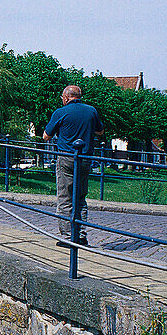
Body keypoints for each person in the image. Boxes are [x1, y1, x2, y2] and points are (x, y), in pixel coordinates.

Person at [43, 85, 104, 246]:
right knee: (81, 197)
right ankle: (81, 235)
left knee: (65, 197)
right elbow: (100, 131)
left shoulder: (60, 112)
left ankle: (68, 237)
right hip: (85, 158)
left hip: (66, 158)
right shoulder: (91, 111)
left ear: (66, 97)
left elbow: (46, 136)